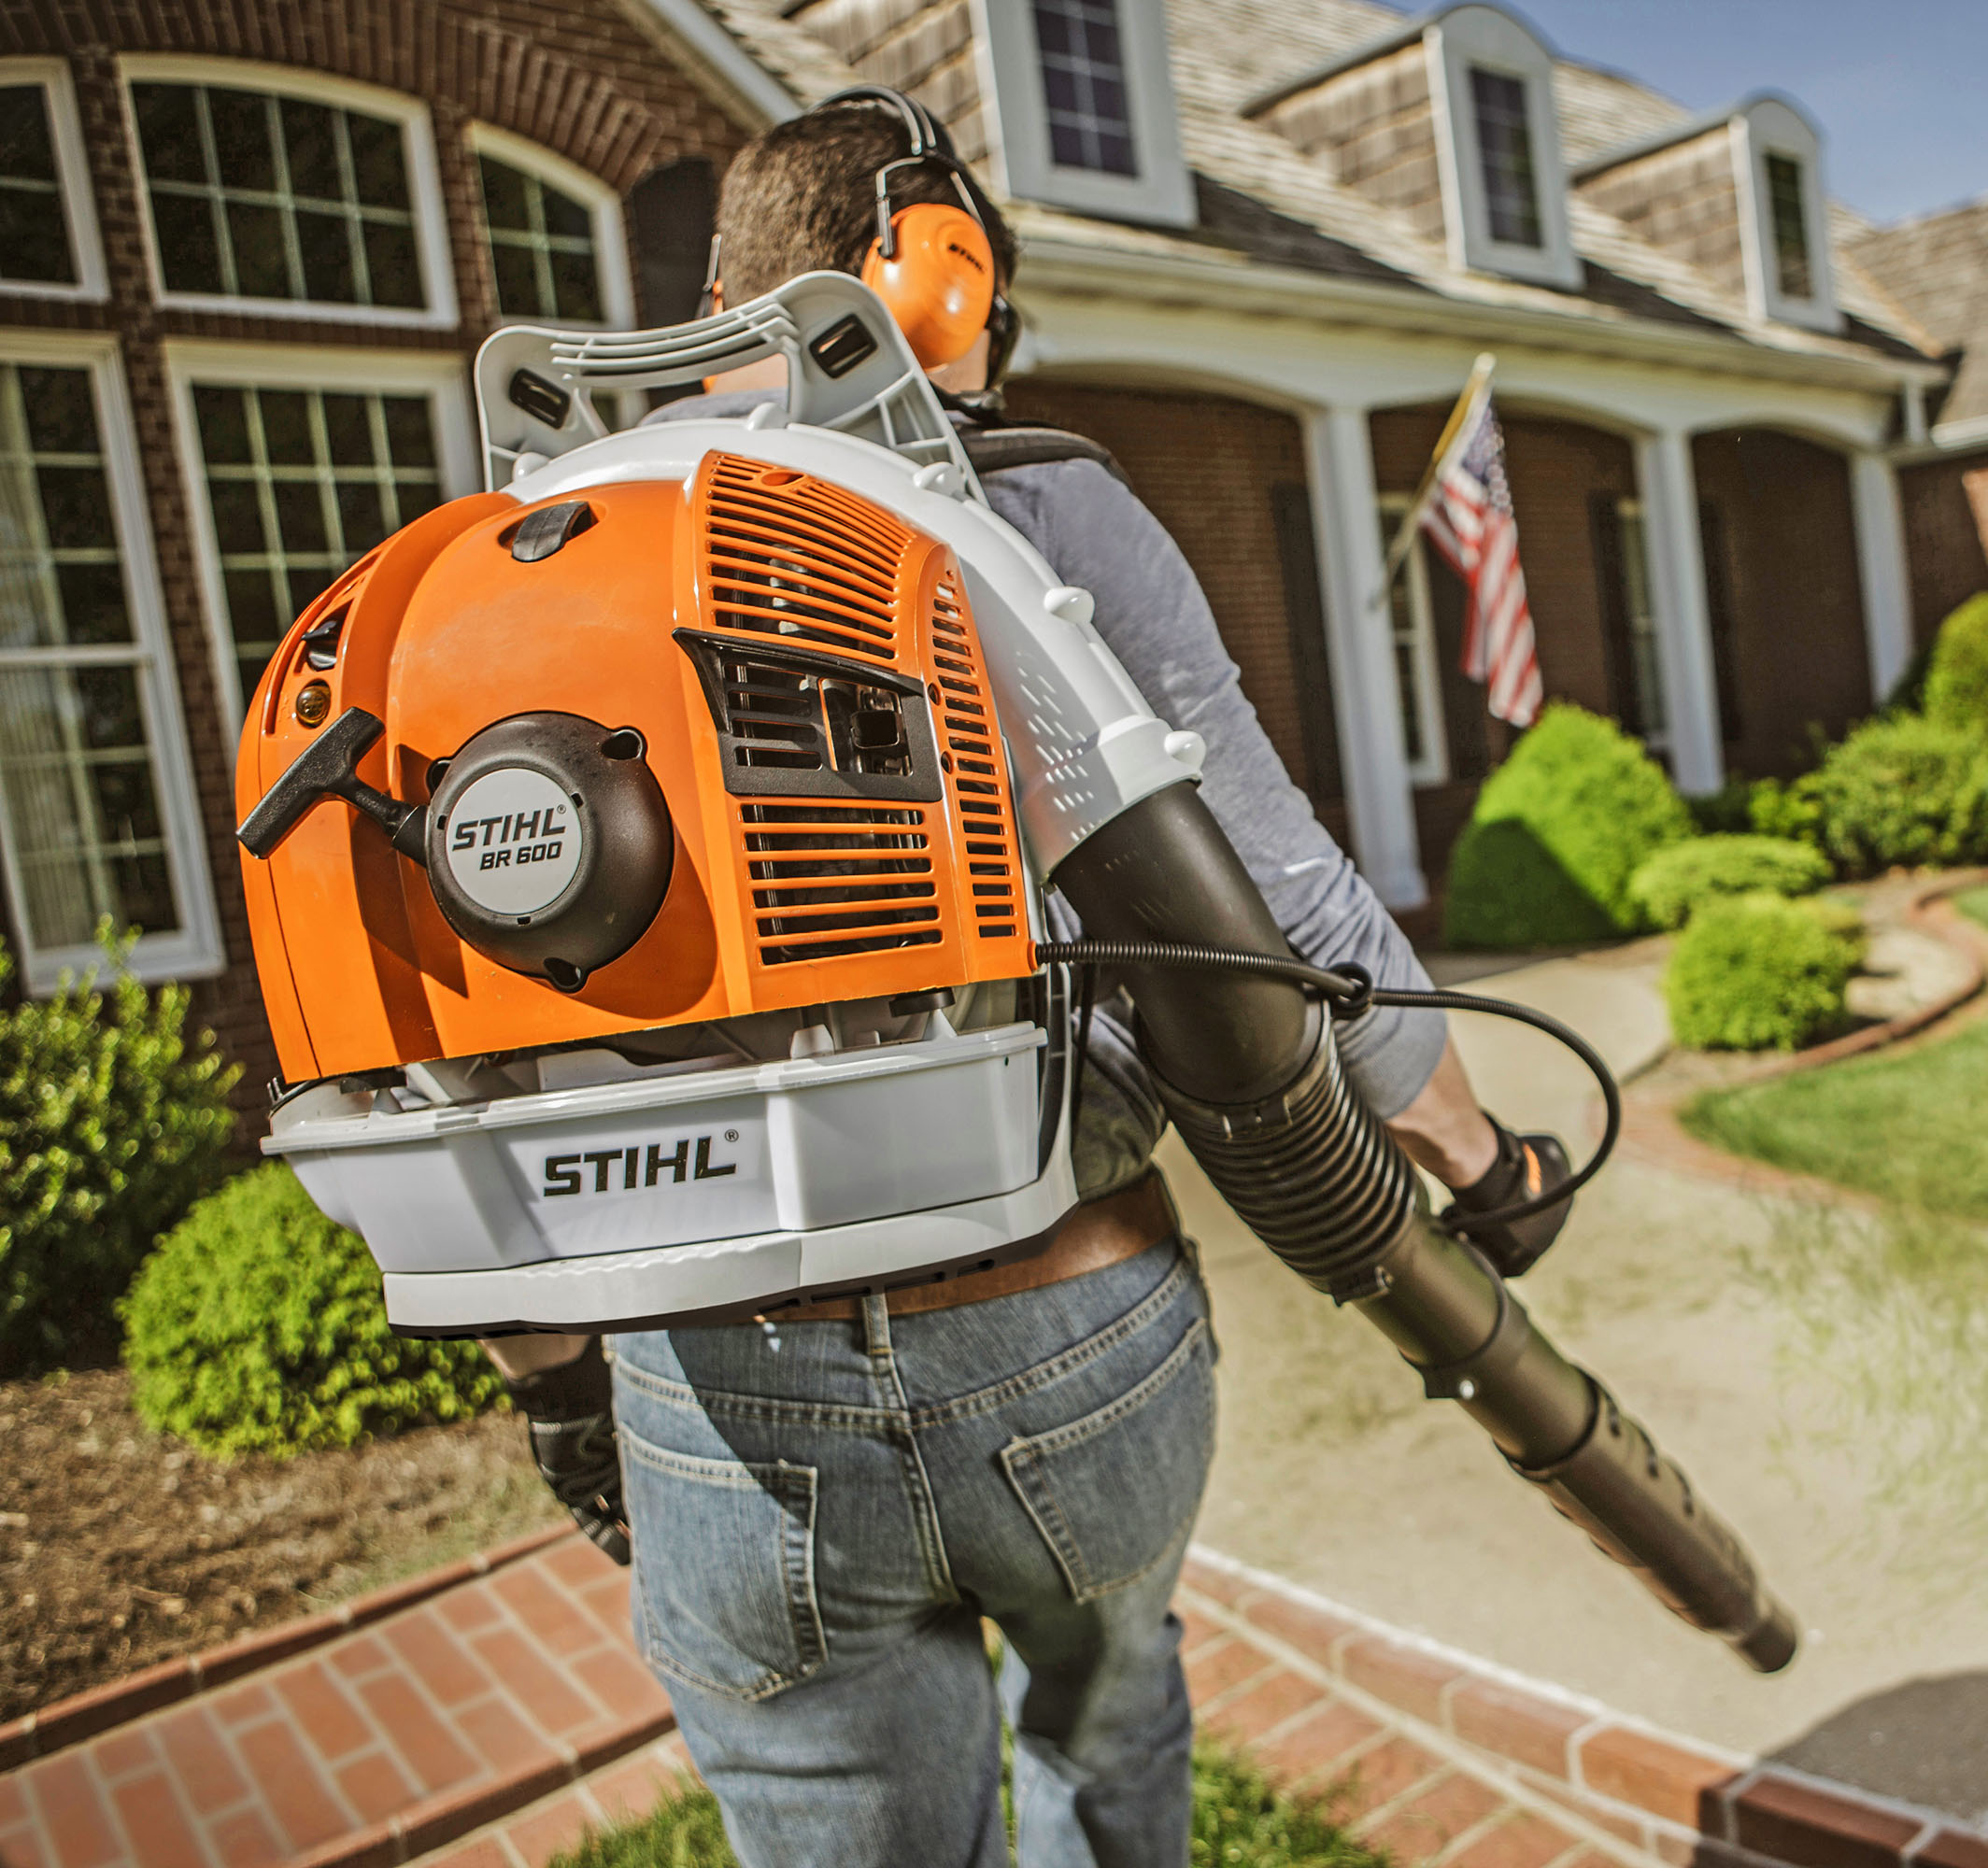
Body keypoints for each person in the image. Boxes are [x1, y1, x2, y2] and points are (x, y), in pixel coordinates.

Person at [484, 92, 1567, 1868]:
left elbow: (468, 1037)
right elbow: (1271, 891)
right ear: (939, 277)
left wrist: (559, 1392)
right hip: (1066, 1326)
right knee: (1111, 1732)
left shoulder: (528, 554)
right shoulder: (1034, 502)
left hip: (712, 1374)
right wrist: (1472, 1155)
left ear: (711, 285)